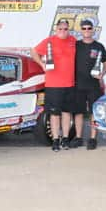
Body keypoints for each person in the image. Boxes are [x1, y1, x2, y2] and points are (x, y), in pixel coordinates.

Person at [30, 18, 77, 151]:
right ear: (56, 29)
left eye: (65, 28)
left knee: (67, 113)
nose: (63, 31)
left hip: (70, 84)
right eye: (60, 28)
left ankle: (65, 138)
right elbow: (33, 52)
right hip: (53, 85)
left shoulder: (73, 41)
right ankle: (56, 139)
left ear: (69, 29)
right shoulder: (49, 41)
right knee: (54, 114)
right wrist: (42, 64)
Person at [73, 19, 106, 150]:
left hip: (93, 85)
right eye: (84, 28)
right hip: (77, 84)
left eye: (89, 28)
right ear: (80, 30)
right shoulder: (75, 45)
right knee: (78, 112)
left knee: (94, 112)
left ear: (93, 30)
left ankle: (93, 138)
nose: (87, 30)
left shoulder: (99, 46)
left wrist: (103, 74)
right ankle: (78, 137)